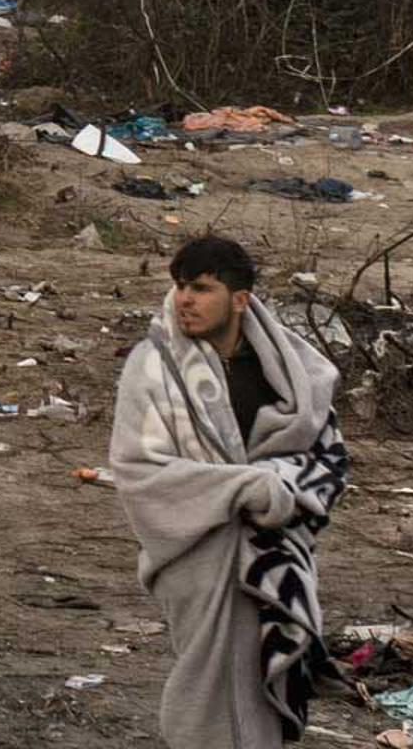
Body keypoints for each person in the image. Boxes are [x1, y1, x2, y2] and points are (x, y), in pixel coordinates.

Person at [109, 235, 350, 747]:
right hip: (198, 553)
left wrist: (282, 491)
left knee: (263, 686)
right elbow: (137, 467)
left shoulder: (288, 369)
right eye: (179, 287)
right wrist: (246, 486)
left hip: (276, 550)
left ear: (240, 299)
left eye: (201, 288)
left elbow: (327, 457)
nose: (184, 300)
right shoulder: (153, 368)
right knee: (207, 689)